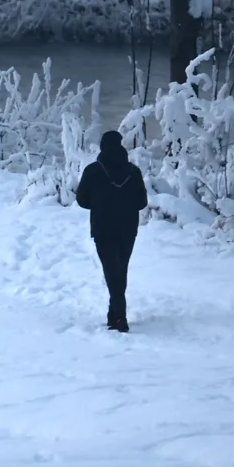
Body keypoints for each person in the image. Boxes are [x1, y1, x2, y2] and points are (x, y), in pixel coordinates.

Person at [75, 130, 149, 333]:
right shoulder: (133, 171)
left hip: (103, 229)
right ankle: (114, 314)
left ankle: (119, 316)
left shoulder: (93, 170)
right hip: (128, 229)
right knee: (120, 271)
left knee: (111, 272)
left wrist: (99, 204)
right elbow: (142, 203)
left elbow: (81, 200)